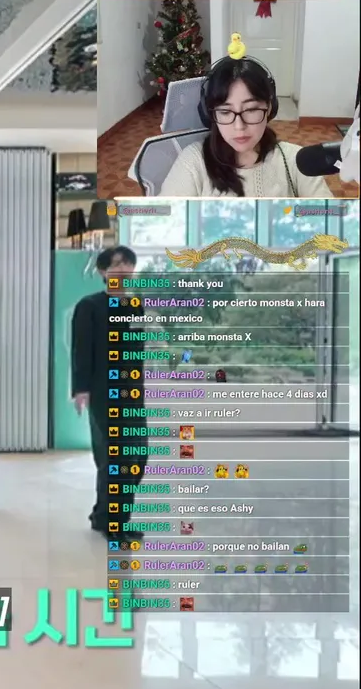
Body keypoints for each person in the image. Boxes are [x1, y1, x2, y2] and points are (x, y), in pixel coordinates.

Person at [160, 55, 332, 198]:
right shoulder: (193, 163)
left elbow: (331, 220)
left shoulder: (296, 160)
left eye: (251, 110)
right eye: (225, 112)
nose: (239, 126)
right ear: (210, 114)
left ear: (269, 108)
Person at [71, 246, 148, 541]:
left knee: (138, 456)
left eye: (128, 264)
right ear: (103, 272)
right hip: (104, 391)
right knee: (117, 458)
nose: (124, 269)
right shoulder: (89, 306)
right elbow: (81, 350)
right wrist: (81, 389)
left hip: (132, 392)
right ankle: (114, 523)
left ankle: (105, 515)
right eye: (117, 264)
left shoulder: (135, 306)